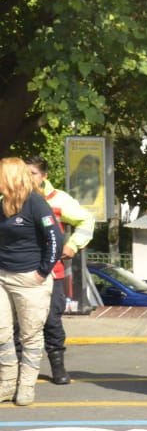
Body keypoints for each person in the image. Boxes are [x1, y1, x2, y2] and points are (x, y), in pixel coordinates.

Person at [25, 155, 95, 386]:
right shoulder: (10, 198)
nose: (27, 178)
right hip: (18, 271)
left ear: (44, 176)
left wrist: (72, 245)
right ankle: (20, 371)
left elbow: (86, 221)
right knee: (18, 323)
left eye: (32, 173)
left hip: (51, 272)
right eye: (24, 173)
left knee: (51, 321)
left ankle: (58, 367)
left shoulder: (59, 199)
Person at [0, 158, 63, 405]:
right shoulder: (2, 203)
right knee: (2, 333)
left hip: (29, 279)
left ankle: (26, 387)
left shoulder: (36, 202)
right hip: (2, 276)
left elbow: (55, 238)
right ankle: (6, 385)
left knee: (30, 335)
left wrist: (42, 271)